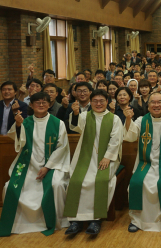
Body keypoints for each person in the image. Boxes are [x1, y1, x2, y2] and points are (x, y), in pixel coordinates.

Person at [0, 92, 70, 237]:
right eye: (38, 102)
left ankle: (57, 221)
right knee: (9, 187)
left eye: (44, 102)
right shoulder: (25, 122)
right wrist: (18, 124)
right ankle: (19, 223)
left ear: (49, 104)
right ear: (31, 105)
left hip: (52, 166)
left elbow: (62, 147)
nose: (41, 105)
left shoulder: (57, 123)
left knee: (57, 185)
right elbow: (18, 140)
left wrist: (47, 167)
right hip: (28, 166)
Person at [63, 89, 125, 236]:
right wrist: (76, 113)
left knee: (101, 180)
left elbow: (116, 140)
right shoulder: (85, 116)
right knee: (77, 180)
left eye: (102, 101)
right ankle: (75, 221)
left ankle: (95, 221)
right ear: (90, 102)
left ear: (107, 102)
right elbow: (75, 126)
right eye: (95, 101)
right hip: (85, 157)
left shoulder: (114, 119)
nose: (98, 104)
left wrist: (108, 157)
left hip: (106, 159)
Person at [125, 92, 161, 233]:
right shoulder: (140, 121)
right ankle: (138, 221)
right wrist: (128, 119)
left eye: (160, 102)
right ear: (148, 105)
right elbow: (131, 136)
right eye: (153, 102)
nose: (156, 105)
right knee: (138, 183)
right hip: (146, 163)